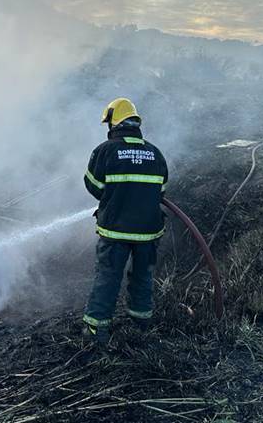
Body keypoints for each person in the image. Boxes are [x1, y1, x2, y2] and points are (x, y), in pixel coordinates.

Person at [82, 98, 168, 345]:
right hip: (148, 231)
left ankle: (96, 329)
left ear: (114, 123)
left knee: (108, 278)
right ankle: (141, 325)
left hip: (115, 231)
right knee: (143, 277)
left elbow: (94, 186)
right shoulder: (155, 153)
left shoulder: (105, 151)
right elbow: (161, 190)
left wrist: (116, 198)